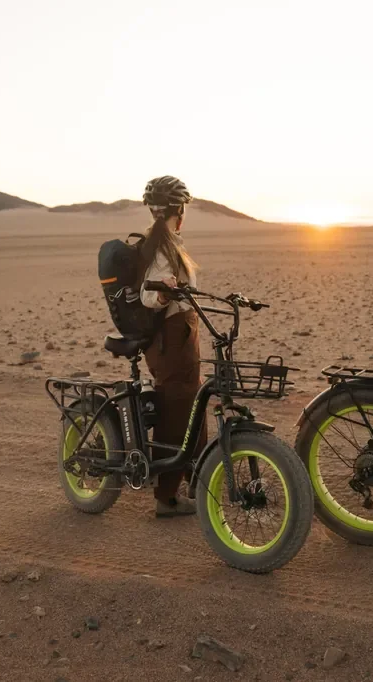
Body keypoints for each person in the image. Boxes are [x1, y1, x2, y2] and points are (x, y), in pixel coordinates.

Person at [137, 175, 208, 518]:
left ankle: (200, 478)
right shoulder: (160, 248)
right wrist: (163, 290)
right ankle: (166, 497)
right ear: (178, 209)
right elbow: (147, 294)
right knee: (177, 411)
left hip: (182, 335)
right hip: (171, 339)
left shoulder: (169, 242)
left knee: (194, 404)